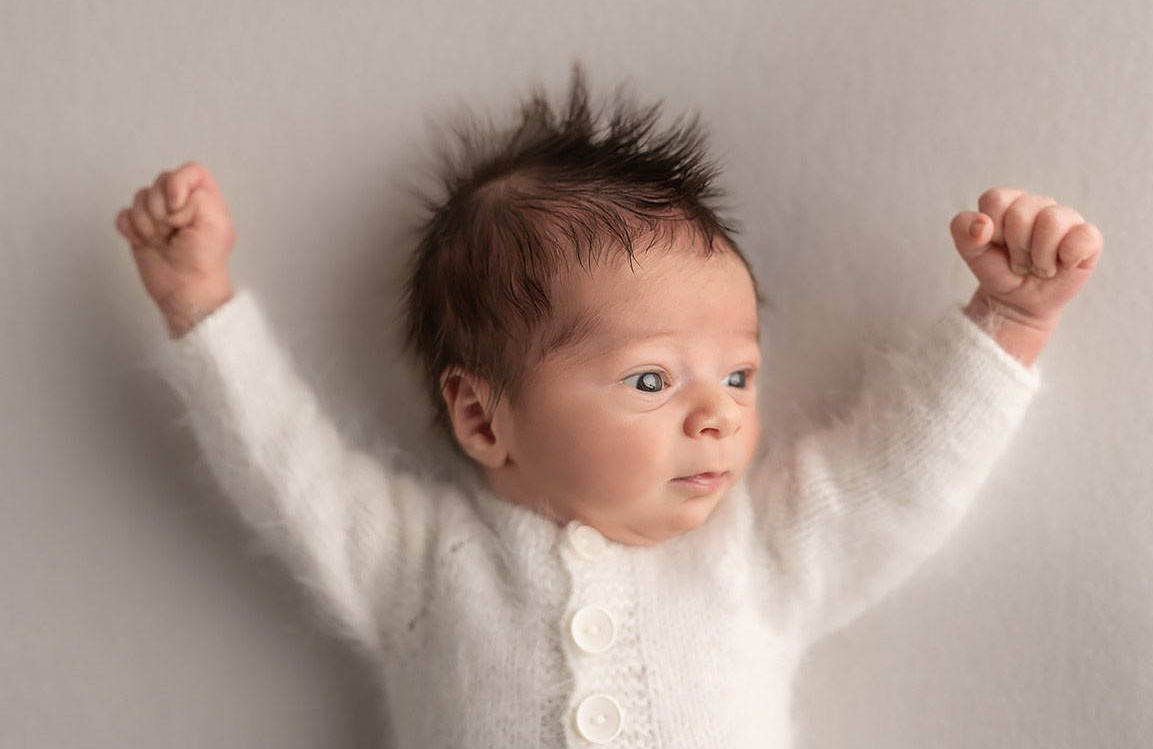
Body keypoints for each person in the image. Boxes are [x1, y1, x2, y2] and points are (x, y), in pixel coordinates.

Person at [114, 72, 1102, 747]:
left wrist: (1006, 318)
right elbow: (281, 461)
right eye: (651, 379)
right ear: (484, 417)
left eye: (739, 375)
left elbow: (898, 479)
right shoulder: (416, 561)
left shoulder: (756, 556)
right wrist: (197, 304)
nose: (717, 415)